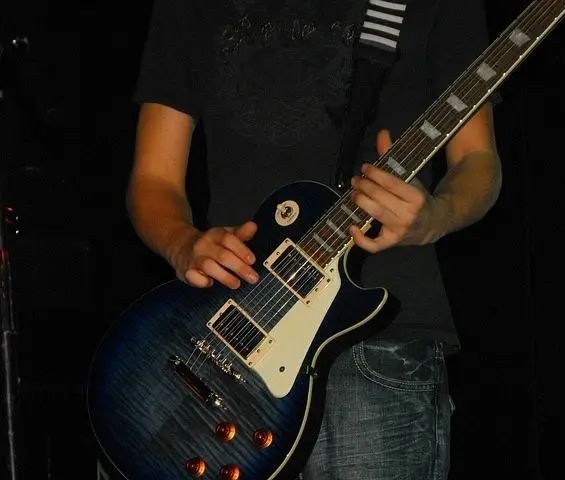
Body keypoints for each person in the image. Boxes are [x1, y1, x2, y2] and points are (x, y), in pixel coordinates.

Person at [126, 0, 502, 478]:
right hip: (221, 341)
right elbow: (153, 180)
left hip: (374, 340)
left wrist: (435, 216)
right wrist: (182, 243)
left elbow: (478, 160)